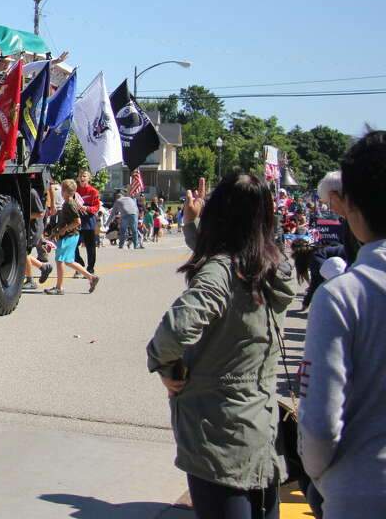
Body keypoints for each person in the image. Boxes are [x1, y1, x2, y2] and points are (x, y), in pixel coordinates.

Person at [147, 173, 294, 519]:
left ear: (220, 216)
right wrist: (193, 225)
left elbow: (174, 331)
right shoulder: (274, 267)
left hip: (218, 430)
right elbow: (233, 265)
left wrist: (167, 368)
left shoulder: (222, 271)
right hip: (262, 428)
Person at [298, 130, 386, 517]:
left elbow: (319, 425)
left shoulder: (341, 296)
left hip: (362, 490)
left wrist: (316, 476)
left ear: (346, 203)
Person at [43, 179, 100, 295]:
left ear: (64, 191)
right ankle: (91, 277)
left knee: (60, 260)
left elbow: (77, 221)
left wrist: (64, 229)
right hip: (69, 235)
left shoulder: (70, 203)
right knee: (68, 261)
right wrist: (55, 232)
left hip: (69, 235)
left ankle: (59, 287)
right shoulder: (68, 202)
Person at [75, 170, 101, 274]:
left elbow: (97, 206)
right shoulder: (75, 191)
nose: (82, 177)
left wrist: (87, 208)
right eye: (80, 175)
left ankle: (90, 268)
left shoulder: (93, 191)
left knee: (90, 247)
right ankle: (79, 264)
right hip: (77, 221)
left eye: (84, 176)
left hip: (89, 220)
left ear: (88, 178)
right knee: (73, 245)